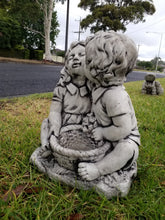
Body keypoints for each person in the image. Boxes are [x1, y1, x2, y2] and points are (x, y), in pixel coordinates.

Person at [78, 31, 140, 181]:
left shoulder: (114, 96)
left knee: (125, 149)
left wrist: (103, 133)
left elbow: (123, 129)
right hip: (106, 135)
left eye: (88, 62)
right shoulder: (99, 86)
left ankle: (98, 169)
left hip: (123, 139)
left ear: (100, 71)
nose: (84, 65)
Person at [40, 41, 91, 153]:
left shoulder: (93, 89)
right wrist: (55, 124)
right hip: (63, 122)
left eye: (81, 55)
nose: (75, 58)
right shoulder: (61, 88)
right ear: (67, 64)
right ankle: (46, 145)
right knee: (46, 123)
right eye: (71, 56)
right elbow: (55, 110)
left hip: (85, 125)